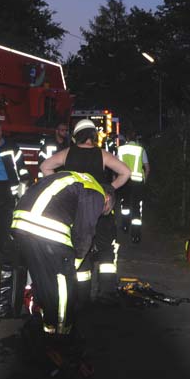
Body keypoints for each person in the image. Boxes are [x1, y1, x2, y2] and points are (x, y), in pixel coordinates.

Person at [11, 171, 115, 368]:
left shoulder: (77, 180)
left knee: (46, 284)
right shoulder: (97, 192)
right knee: (63, 289)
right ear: (107, 198)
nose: (100, 214)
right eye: (104, 211)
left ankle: (42, 329)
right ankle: (59, 339)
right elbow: (84, 233)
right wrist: (72, 265)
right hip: (46, 226)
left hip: (21, 222)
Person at [39, 119, 130, 303]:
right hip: (100, 210)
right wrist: (108, 189)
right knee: (105, 252)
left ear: (76, 136)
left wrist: (61, 187)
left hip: (76, 212)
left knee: (80, 251)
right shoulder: (102, 155)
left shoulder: (67, 154)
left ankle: (81, 296)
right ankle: (106, 294)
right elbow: (125, 172)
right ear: (93, 136)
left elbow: (44, 167)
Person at [0, 122, 30, 260]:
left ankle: (5, 244)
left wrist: (24, 178)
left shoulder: (10, 146)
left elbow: (20, 164)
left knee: (6, 215)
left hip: (7, 184)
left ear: (1, 132)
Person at [116, 130, 150, 243]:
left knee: (125, 205)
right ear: (136, 138)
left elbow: (116, 166)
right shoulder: (141, 150)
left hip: (124, 181)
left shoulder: (121, 149)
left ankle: (125, 226)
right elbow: (147, 168)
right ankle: (136, 235)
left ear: (126, 138)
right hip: (137, 183)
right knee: (136, 208)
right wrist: (144, 180)